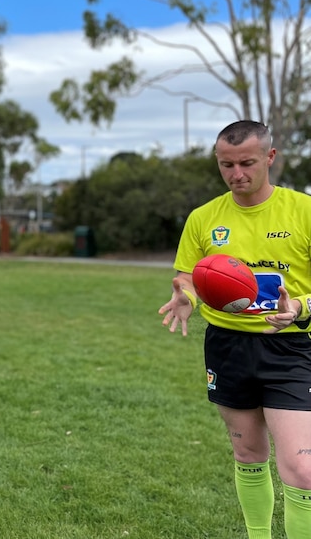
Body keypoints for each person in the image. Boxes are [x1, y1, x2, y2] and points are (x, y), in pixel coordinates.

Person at [159, 120, 311, 539]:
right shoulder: (204, 218)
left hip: (292, 347)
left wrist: (299, 306)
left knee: (302, 467)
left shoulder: (303, 212)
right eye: (226, 165)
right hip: (227, 347)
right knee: (248, 452)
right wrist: (185, 297)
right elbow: (188, 277)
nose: (236, 174)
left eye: (246, 162)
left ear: (270, 157)